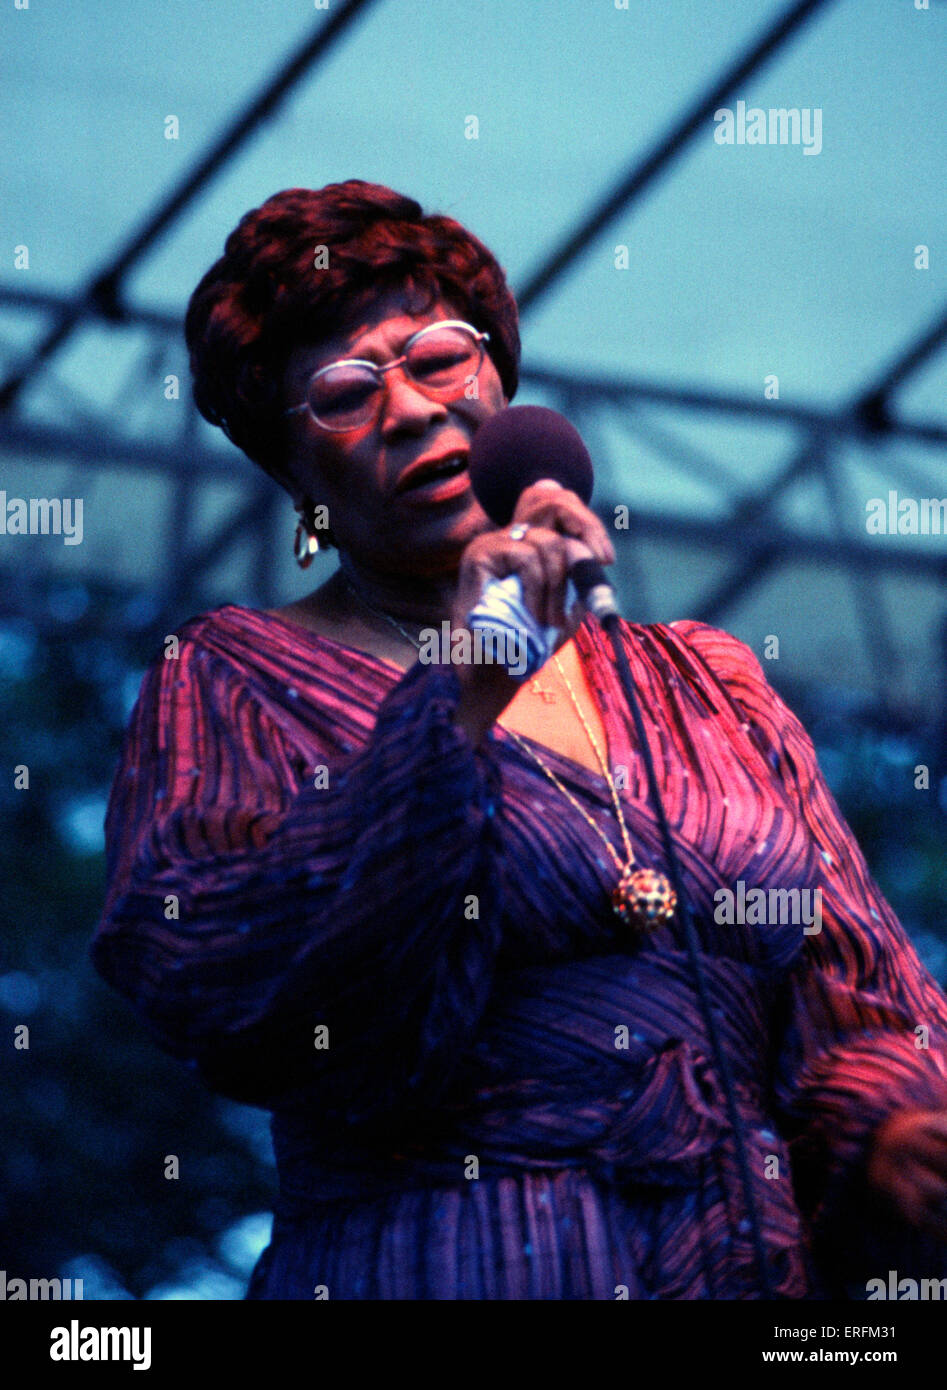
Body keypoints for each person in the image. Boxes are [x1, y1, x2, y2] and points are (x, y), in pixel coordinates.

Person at [92, 179, 947, 1300]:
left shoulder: (705, 678)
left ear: (497, 378)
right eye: (345, 392)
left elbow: (853, 985)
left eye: (437, 359)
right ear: (293, 477)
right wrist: (462, 685)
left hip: (739, 1266)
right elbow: (226, 981)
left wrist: (888, 1135)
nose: (405, 408)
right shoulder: (229, 677)